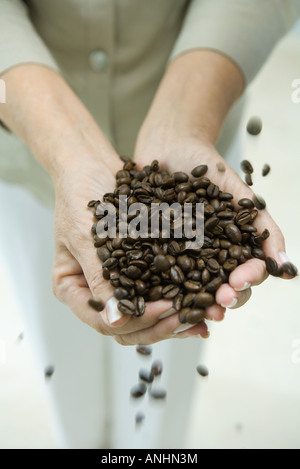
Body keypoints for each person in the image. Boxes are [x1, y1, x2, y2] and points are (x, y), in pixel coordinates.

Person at [0, 0, 299, 449]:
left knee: (165, 362)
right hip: (28, 149)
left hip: (203, 114)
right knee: (63, 360)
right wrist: (64, 145)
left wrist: (185, 117)